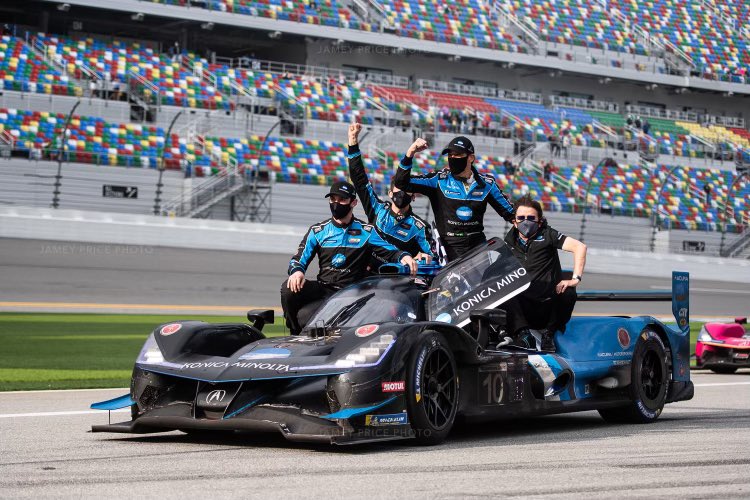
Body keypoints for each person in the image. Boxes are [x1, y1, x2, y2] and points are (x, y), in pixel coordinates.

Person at [280, 181, 417, 335]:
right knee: (288, 288)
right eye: (333, 199)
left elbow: (391, 251)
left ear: (354, 203)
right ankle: (294, 333)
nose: (336, 204)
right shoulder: (318, 231)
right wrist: (297, 271)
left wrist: (404, 256)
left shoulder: (367, 231)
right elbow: (298, 259)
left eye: (342, 200)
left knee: (308, 318)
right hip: (324, 289)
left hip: (352, 293)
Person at [393, 135, 515, 262]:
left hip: (478, 249)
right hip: (449, 250)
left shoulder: (487, 184)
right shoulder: (438, 180)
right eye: (450, 155)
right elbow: (401, 182)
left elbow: (511, 214)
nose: (452, 158)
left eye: (457, 155)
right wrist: (410, 153)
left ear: (471, 158)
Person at [502, 195, 587, 352]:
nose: (525, 221)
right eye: (521, 218)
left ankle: (549, 334)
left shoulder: (548, 234)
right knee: (501, 288)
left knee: (569, 293)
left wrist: (575, 279)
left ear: (539, 221)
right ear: (514, 222)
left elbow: (579, 247)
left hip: (547, 305)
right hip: (524, 306)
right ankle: (524, 335)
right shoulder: (509, 240)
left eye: (530, 218)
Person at [346, 123, 435, 263]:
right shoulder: (378, 209)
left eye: (407, 191)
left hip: (398, 279)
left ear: (413, 197)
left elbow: (434, 257)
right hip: (368, 274)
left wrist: (424, 258)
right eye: (399, 189)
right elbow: (359, 180)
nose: (402, 193)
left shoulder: (420, 227)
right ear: (390, 193)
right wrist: (353, 142)